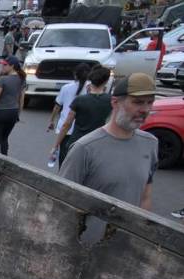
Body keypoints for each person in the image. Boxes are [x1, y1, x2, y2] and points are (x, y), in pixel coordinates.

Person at [59, 73, 157, 211]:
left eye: (150, 102)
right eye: (138, 102)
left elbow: (145, 196)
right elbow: (62, 199)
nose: (145, 110)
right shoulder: (84, 148)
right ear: (115, 102)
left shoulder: (151, 143)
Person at [51, 66, 112, 168]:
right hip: (97, 141)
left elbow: (67, 124)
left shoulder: (80, 100)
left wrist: (56, 144)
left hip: (76, 142)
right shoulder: (110, 100)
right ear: (106, 81)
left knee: (67, 169)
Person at [47, 63, 92, 162]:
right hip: (83, 129)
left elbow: (57, 106)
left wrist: (51, 121)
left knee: (63, 157)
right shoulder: (91, 89)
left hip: (65, 128)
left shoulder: (66, 88)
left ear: (75, 74)